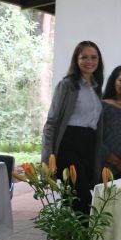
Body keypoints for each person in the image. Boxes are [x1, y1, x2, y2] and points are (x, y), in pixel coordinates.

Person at [41, 41, 104, 214]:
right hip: (69, 144)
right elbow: (52, 122)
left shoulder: (96, 88)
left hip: (88, 145)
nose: (89, 61)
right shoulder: (67, 85)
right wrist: (47, 157)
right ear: (76, 60)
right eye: (84, 57)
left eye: (93, 57)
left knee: (75, 198)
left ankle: (73, 239)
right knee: (82, 198)